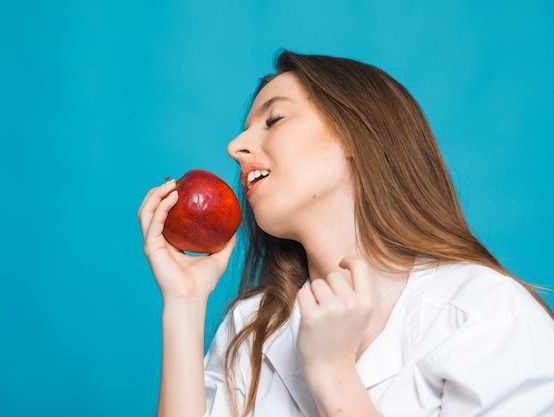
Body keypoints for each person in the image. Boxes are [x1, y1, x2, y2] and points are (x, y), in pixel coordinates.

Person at [138, 50, 554, 417]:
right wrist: (184, 303)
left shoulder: (486, 316)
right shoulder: (251, 326)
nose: (235, 146)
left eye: (274, 119)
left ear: (356, 133)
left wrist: (333, 373)